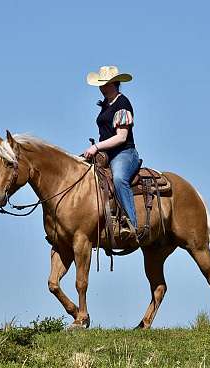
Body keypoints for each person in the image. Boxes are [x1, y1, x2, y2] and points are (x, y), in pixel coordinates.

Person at [83, 66, 140, 241]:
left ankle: (132, 225)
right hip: (106, 154)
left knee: (118, 179)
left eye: (104, 84)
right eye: (100, 84)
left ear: (114, 84)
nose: (101, 87)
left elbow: (122, 137)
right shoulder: (106, 104)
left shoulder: (122, 104)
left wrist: (96, 147)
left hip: (124, 153)